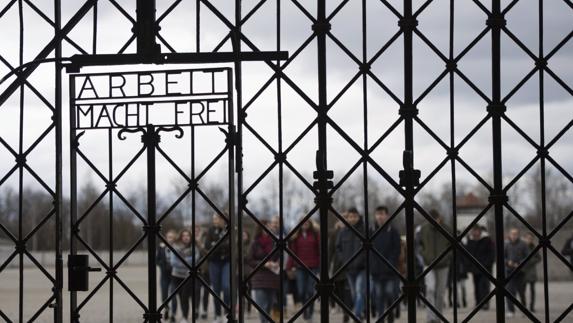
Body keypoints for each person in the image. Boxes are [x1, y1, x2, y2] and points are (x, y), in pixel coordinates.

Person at [418, 209, 452, 323]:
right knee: (431, 290)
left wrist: (446, 257)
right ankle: (430, 318)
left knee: (440, 292)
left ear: (439, 218)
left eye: (435, 219)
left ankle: (438, 318)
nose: (433, 222)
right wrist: (424, 254)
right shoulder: (423, 229)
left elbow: (453, 245)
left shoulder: (447, 229)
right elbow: (418, 244)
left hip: (443, 265)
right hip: (429, 264)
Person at [370, 206, 401, 322]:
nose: (379, 216)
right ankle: (381, 317)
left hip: (389, 270)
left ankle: (391, 313)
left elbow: (396, 249)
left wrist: (390, 262)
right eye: (377, 214)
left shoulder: (393, 231)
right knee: (378, 295)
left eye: (382, 214)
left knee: (389, 293)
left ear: (387, 215)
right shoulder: (371, 230)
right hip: (376, 270)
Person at [335, 207, 366, 320]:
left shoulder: (364, 230)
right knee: (354, 294)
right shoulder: (343, 232)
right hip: (348, 268)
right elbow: (338, 248)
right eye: (350, 217)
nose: (352, 219)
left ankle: (357, 315)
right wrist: (343, 260)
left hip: (362, 268)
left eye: (354, 216)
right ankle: (361, 312)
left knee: (359, 291)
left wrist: (361, 260)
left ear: (358, 216)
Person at [287, 218, 320, 322]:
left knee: (310, 291)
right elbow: (292, 253)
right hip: (300, 267)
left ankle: (310, 313)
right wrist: (289, 267)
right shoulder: (295, 236)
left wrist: (320, 267)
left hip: (313, 266)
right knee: (301, 291)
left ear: (310, 223)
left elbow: (320, 250)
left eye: (306, 222)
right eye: (302, 222)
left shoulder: (315, 234)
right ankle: (305, 311)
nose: (304, 224)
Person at [247, 219, 280, 323]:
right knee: (262, 307)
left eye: (270, 226)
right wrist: (264, 264)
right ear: (261, 228)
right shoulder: (254, 243)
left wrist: (277, 263)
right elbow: (250, 260)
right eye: (267, 226)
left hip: (272, 277)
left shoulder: (275, 242)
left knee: (269, 306)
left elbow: (280, 256)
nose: (269, 227)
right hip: (259, 278)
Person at [169, 228, 200, 323]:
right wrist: (187, 262)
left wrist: (182, 261)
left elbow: (196, 259)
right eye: (184, 235)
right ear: (181, 237)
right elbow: (173, 262)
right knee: (179, 296)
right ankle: (184, 315)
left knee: (184, 296)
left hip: (188, 276)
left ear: (190, 237)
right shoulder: (175, 246)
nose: (186, 237)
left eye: (188, 235)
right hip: (176, 276)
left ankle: (185, 317)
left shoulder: (194, 247)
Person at [204, 213, 231, 323]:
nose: (215, 221)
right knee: (216, 290)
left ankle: (226, 313)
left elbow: (230, 244)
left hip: (226, 262)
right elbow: (207, 246)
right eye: (214, 219)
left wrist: (216, 244)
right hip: (214, 262)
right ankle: (217, 314)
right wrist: (220, 245)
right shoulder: (210, 230)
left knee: (226, 286)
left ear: (223, 219)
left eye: (217, 219)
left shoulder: (228, 229)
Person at [465, 225, 495, 309]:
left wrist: (487, 263)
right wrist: (469, 265)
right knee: (476, 285)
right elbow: (467, 253)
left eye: (476, 231)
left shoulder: (487, 240)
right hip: (475, 268)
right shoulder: (470, 241)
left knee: (484, 286)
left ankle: (485, 303)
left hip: (485, 267)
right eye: (473, 231)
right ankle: (478, 302)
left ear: (479, 231)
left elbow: (491, 253)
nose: (474, 233)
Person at [504, 228, 529, 318]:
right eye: (512, 234)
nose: (513, 236)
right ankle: (511, 310)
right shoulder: (506, 244)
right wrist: (507, 262)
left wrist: (519, 264)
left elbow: (527, 256)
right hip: (509, 272)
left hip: (520, 272)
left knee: (521, 292)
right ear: (510, 234)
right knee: (510, 292)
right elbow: (503, 257)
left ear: (518, 235)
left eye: (515, 234)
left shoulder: (523, 244)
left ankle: (524, 310)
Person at [157, 229, 178, 320]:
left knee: (173, 295)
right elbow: (156, 260)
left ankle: (173, 314)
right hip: (164, 275)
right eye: (169, 237)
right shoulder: (161, 247)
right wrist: (163, 264)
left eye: (172, 237)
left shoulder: (177, 247)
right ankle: (167, 309)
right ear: (166, 238)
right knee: (164, 295)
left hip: (174, 275)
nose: (171, 239)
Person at [522, 232, 540, 313]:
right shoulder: (521, 247)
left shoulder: (534, 247)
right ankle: (523, 306)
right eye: (528, 238)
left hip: (532, 271)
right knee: (523, 290)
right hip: (524, 271)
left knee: (532, 290)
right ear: (525, 238)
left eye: (530, 238)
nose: (529, 240)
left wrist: (532, 260)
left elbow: (539, 258)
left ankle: (532, 306)